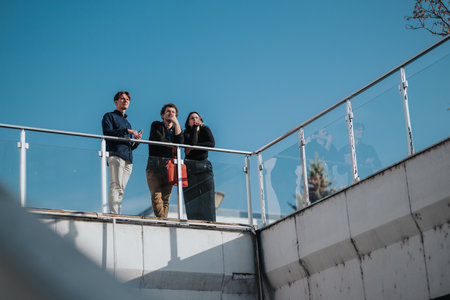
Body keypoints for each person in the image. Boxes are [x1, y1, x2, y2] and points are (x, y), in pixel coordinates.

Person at [102, 91, 142, 214]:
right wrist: (127, 131)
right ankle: (114, 214)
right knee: (116, 185)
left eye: (127, 99)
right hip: (116, 154)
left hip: (128, 159)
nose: (125, 101)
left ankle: (117, 212)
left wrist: (137, 141)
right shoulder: (109, 116)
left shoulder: (127, 122)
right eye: (122, 99)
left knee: (121, 189)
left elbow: (129, 146)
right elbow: (107, 133)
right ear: (116, 101)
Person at [146, 103, 184, 218]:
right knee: (156, 195)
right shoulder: (156, 125)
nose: (170, 113)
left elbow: (181, 143)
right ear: (162, 115)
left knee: (166, 198)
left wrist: (177, 124)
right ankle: (162, 220)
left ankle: (163, 220)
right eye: (168, 111)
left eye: (173, 112)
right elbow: (159, 139)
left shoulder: (176, 129)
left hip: (169, 168)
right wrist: (173, 145)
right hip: (154, 167)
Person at [183, 112, 216, 221]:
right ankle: (194, 223)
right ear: (188, 122)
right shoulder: (186, 133)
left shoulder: (205, 129)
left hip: (204, 167)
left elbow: (211, 144)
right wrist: (195, 129)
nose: (195, 119)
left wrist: (194, 147)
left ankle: (210, 223)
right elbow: (191, 143)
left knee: (208, 198)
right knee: (191, 199)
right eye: (192, 118)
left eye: (197, 118)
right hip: (190, 169)